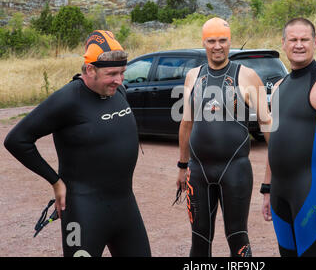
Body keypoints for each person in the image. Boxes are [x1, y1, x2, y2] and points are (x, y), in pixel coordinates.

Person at [4, 30, 151, 257]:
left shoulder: (118, 91)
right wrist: (55, 181)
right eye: (112, 74)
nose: (119, 80)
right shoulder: (68, 99)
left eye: (122, 72)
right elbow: (17, 140)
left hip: (125, 206)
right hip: (83, 211)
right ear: (90, 69)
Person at [176, 17, 271, 257]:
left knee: (237, 235)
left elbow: (269, 122)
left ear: (230, 42)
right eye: (211, 41)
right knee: (199, 238)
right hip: (198, 172)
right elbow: (186, 123)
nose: (217, 46)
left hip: (236, 170)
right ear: (203, 42)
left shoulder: (247, 75)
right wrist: (181, 166)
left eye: (222, 40)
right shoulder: (193, 76)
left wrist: (276, 168)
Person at [261, 17, 316, 257]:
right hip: (279, 192)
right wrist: (267, 190)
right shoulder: (279, 86)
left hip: (310, 190)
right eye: (293, 40)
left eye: (304, 39)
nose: (299, 45)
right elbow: (274, 143)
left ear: (315, 42)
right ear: (284, 43)